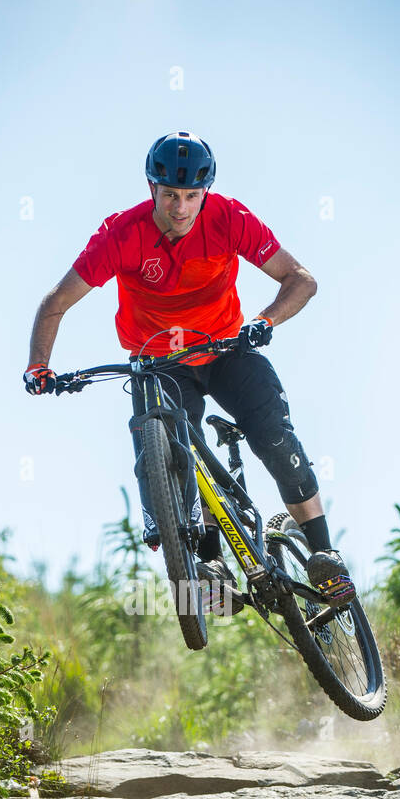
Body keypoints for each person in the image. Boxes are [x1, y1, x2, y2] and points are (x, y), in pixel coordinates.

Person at [24, 130, 355, 616]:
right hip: (159, 363)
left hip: (226, 348)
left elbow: (301, 280)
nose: (180, 208)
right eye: (170, 195)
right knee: (175, 449)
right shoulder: (121, 234)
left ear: (206, 192)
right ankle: (209, 564)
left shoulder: (229, 218)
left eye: (192, 196)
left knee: (274, 438)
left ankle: (325, 553)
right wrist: (39, 367)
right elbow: (55, 303)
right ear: (151, 189)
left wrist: (264, 321)